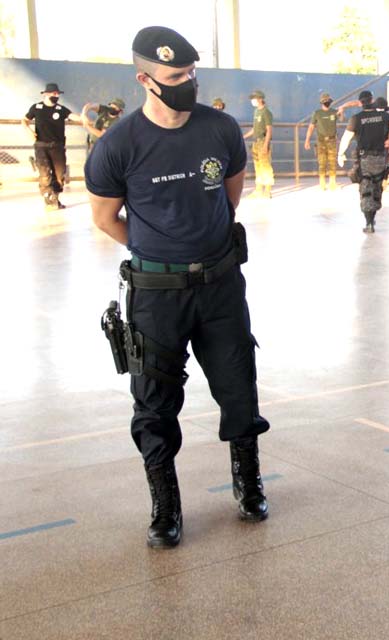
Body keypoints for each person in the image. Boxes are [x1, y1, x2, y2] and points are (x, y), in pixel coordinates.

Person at [85, 26, 271, 549]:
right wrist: (159, 252)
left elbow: (230, 198)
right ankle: (165, 506)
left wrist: (198, 249)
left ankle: (248, 483)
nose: (186, 82)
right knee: (154, 403)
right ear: (145, 79)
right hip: (156, 294)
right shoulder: (118, 145)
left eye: (191, 73)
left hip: (220, 286)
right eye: (174, 76)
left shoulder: (220, 129)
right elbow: (106, 219)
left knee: (239, 387)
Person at [337, 90, 389, 233]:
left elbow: (346, 138)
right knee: (377, 188)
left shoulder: (356, 119)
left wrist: (340, 153)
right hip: (381, 158)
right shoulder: (384, 116)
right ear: (372, 100)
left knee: (365, 189)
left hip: (364, 159)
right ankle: (372, 217)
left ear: (360, 103)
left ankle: (369, 222)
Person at [22, 82, 82, 210]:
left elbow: (72, 116)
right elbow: (24, 120)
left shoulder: (61, 109)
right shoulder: (36, 108)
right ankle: (48, 199)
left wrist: (85, 119)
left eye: (58, 94)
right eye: (54, 94)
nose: (56, 96)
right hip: (41, 145)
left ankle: (55, 199)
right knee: (44, 174)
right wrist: (28, 130)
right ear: (46, 94)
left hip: (57, 146)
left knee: (59, 175)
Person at [305, 92, 340, 190]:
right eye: (325, 101)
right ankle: (322, 183)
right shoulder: (317, 113)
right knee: (322, 162)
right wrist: (307, 140)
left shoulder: (334, 112)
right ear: (322, 102)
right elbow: (311, 127)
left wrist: (341, 111)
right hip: (321, 142)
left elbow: (341, 118)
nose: (327, 102)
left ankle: (332, 183)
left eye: (328, 101)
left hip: (332, 140)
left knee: (332, 162)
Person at [243, 89, 274, 198]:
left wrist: (266, 145)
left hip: (262, 142)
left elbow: (269, 130)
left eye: (254, 98)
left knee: (265, 166)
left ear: (260, 99)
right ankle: (258, 190)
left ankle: (268, 191)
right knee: (258, 167)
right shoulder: (256, 112)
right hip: (255, 143)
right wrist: (243, 137)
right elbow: (254, 129)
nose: (252, 101)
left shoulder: (266, 112)